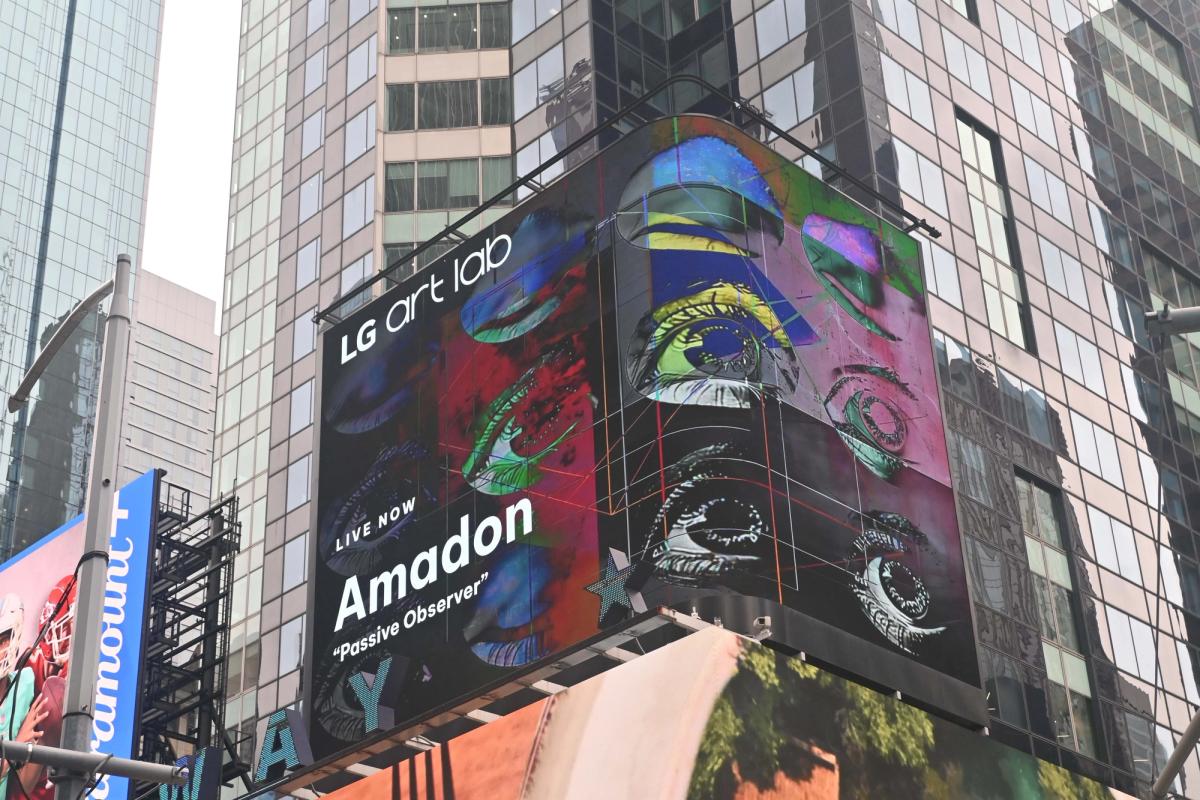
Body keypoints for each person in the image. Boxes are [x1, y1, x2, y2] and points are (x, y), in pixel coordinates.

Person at [0, 593, 49, 799]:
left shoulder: (27, 683)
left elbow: (24, 787)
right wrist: (17, 746)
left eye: (2, 640)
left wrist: (44, 738)